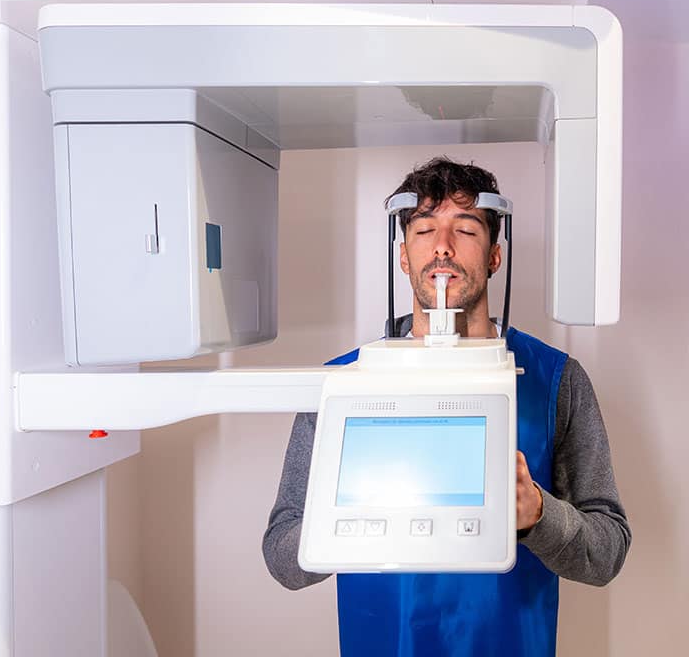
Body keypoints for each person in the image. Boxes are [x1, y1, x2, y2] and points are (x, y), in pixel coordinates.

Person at [262, 157, 631, 657]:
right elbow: (282, 557)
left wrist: (538, 514)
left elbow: (607, 550)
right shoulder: (341, 383)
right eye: (423, 230)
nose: (442, 246)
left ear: (495, 254)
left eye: (465, 229)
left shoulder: (556, 379)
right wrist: (342, 517)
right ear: (403, 255)